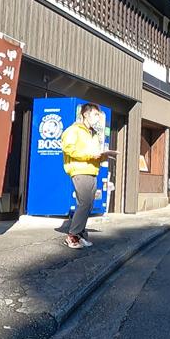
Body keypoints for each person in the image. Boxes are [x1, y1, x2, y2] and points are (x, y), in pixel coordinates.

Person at [61, 103, 109, 249]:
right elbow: (68, 148)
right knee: (84, 203)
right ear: (86, 114)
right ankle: (72, 235)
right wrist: (90, 155)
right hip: (79, 170)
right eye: (95, 115)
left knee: (89, 205)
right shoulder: (73, 130)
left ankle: (80, 235)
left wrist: (103, 156)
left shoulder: (93, 133)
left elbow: (94, 152)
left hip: (92, 171)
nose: (98, 119)